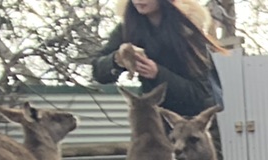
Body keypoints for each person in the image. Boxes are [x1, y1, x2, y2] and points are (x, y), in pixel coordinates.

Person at [91, 0, 226, 122]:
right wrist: (118, 59)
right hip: (153, 124)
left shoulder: (187, 29)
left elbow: (200, 95)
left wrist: (158, 74)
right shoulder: (127, 28)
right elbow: (98, 72)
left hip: (194, 128)